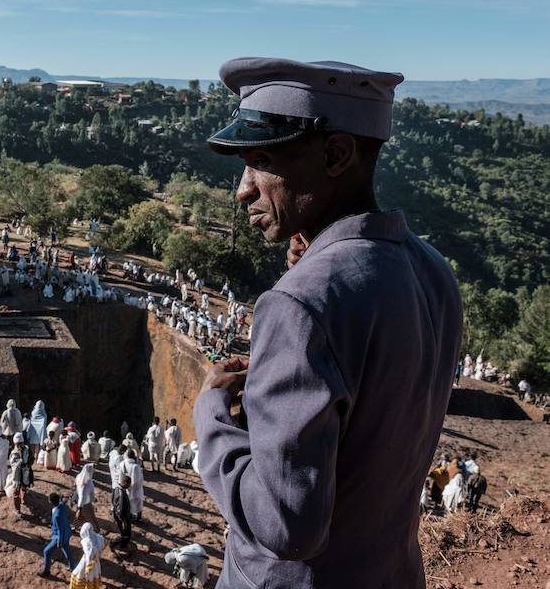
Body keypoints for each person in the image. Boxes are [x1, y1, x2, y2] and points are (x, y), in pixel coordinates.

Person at [194, 57, 462, 587]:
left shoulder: (301, 304)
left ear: (337, 154)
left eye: (260, 162)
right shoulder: (432, 270)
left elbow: (284, 524)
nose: (243, 189)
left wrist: (212, 413)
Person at [39, 492, 73, 577]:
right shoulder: (62, 505)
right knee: (67, 550)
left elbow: (60, 529)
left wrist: (59, 542)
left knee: (46, 551)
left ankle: (46, 571)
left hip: (59, 536)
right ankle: (72, 566)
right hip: (67, 532)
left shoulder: (57, 515)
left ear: (51, 502)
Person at [69, 522, 105, 589]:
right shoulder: (98, 537)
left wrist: (88, 568)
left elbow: (89, 555)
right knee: (95, 575)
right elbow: (103, 542)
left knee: (78, 575)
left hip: (87, 562)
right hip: (96, 561)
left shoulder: (86, 542)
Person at [6, 432, 33, 517]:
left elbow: (32, 459)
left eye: (20, 443)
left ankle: (24, 499)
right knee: (16, 492)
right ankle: (17, 510)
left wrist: (27, 464)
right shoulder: (14, 452)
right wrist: (21, 462)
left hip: (25, 473)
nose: (19, 445)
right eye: (18, 444)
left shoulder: (27, 449)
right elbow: (12, 463)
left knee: (24, 486)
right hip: (17, 475)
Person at [119, 449, 144, 522]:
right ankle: (138, 518)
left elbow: (120, 477)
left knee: (127, 503)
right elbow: (139, 479)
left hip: (126, 487)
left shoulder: (122, 464)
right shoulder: (136, 466)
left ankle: (128, 516)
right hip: (136, 489)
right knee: (138, 503)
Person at [74, 463, 99, 529]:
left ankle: (75, 527)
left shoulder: (79, 476)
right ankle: (96, 529)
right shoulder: (86, 483)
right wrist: (80, 508)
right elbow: (82, 496)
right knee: (90, 517)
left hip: (80, 502)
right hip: (85, 504)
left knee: (80, 517)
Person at [111, 475, 132, 550]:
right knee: (127, 532)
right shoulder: (121, 494)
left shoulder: (116, 488)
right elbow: (120, 508)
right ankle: (123, 545)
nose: (130, 485)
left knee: (122, 530)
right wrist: (123, 519)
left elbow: (112, 500)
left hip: (117, 514)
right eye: (129, 483)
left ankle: (122, 539)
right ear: (126, 483)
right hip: (123, 516)